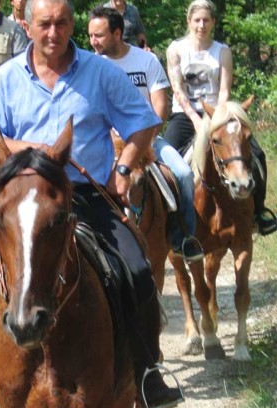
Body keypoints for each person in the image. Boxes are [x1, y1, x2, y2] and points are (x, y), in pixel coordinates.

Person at [0, 0, 184, 408]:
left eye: (62, 23)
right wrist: (37, 151)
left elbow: (144, 123)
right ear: (28, 26)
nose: (53, 33)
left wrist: (123, 167)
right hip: (21, 201)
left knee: (138, 271)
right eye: (45, 24)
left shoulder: (101, 72)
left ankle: (146, 370)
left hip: (84, 193)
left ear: (74, 24)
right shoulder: (5, 79)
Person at [88, 6, 204, 262]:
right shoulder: (91, 66)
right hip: (108, 144)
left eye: (98, 35)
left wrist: (145, 140)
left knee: (183, 174)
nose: (92, 42)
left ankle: (183, 237)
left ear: (117, 33)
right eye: (90, 36)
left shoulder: (146, 60)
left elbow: (160, 107)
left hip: (148, 139)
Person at [164, 0, 277, 235]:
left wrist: (217, 117)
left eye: (206, 20)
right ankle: (168, 218)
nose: (201, 25)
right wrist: (196, 118)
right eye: (197, 20)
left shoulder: (222, 51)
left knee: (256, 154)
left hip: (219, 114)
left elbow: (224, 90)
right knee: (164, 162)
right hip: (185, 115)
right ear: (189, 21)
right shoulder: (175, 49)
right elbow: (178, 89)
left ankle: (259, 211)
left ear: (214, 22)